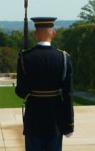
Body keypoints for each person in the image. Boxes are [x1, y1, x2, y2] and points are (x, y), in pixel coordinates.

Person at [15, 17, 74, 151]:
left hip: (34, 117)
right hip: (56, 119)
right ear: (53, 33)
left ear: (35, 35)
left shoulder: (25, 57)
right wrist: (69, 124)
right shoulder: (64, 57)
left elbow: (21, 92)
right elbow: (68, 94)